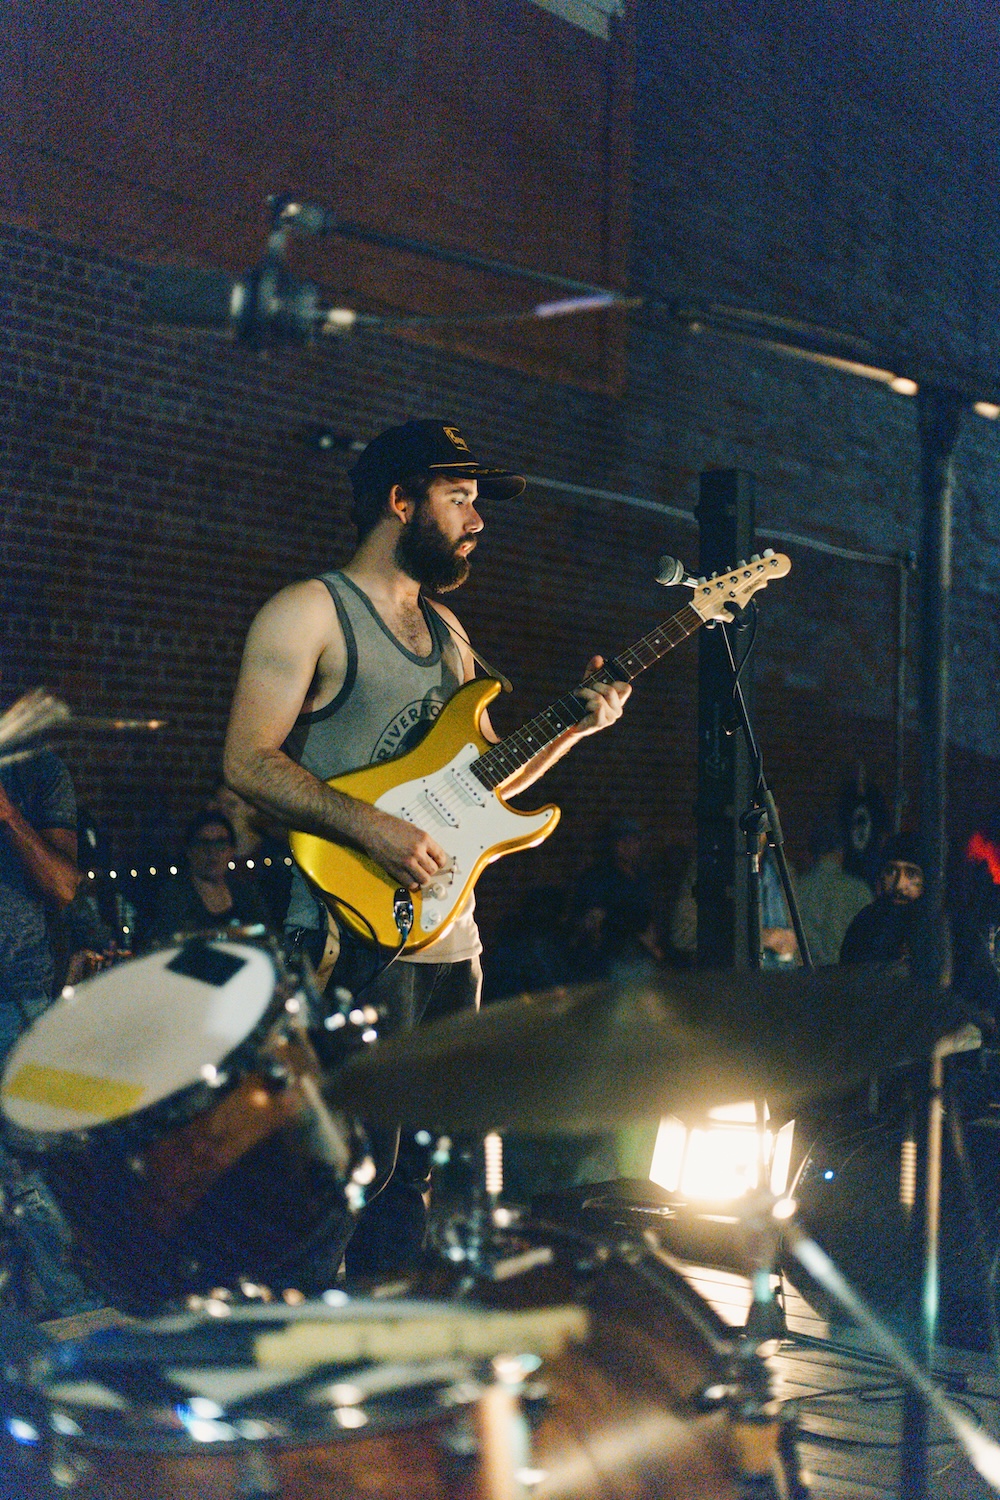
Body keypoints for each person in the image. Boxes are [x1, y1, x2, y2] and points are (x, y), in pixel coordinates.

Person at [223, 418, 631, 1281]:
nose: (475, 520)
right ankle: (314, 1373)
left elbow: (481, 788)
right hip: (351, 931)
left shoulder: (448, 633)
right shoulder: (311, 612)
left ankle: (389, 1354)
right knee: (342, 1174)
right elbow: (247, 760)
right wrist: (373, 827)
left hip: (453, 938)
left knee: (420, 1177)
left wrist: (579, 725)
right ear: (400, 501)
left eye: (475, 502)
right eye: (459, 499)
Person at [0, 746, 102, 1317]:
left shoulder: (34, 769)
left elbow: (64, 887)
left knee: (40, 1187)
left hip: (17, 1005)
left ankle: (82, 1337)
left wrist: (9, 814)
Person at [145, 809, 272, 948]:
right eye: (204, 843)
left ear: (231, 850)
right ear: (190, 850)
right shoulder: (174, 895)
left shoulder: (245, 893)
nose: (212, 852)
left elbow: (265, 936)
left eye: (220, 843)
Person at [840, 831, 925, 965]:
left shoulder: (930, 925)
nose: (899, 885)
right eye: (891, 872)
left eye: (911, 874)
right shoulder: (866, 921)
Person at [796, 820, 872, 967]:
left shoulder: (797, 887)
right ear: (841, 851)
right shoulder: (859, 890)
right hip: (849, 977)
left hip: (808, 978)